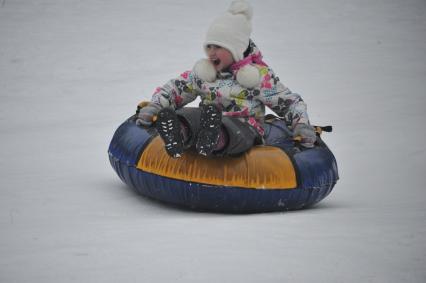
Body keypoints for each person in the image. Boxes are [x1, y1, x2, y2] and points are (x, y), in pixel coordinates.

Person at [136, 0, 316, 158]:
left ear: (236, 49)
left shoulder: (258, 77)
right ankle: (179, 133)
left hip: (246, 126)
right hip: (207, 118)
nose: (212, 52)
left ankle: (215, 138)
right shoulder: (204, 74)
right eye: (209, 46)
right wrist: (156, 106)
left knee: (235, 131)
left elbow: (289, 102)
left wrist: (301, 125)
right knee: (190, 115)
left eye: (219, 47)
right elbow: (176, 88)